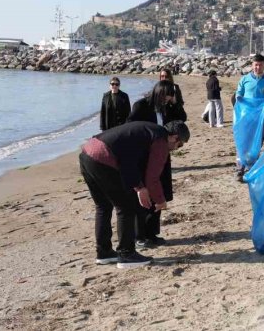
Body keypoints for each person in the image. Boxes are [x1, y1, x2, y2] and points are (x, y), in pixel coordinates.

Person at [79, 120, 190, 268]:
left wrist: (138, 186)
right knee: (126, 208)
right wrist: (159, 200)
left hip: (87, 152)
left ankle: (104, 253)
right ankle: (127, 254)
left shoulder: (148, 130)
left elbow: (129, 158)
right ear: (173, 137)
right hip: (104, 158)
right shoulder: (160, 141)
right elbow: (152, 177)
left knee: (103, 206)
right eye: (179, 144)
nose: (176, 149)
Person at [126, 81, 186, 248]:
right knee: (145, 195)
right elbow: (130, 128)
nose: (168, 99)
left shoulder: (167, 107)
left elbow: (181, 120)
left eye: (170, 97)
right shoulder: (141, 106)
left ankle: (152, 233)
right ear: (159, 93)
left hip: (162, 153)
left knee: (160, 192)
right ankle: (140, 235)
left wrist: (175, 104)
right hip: (144, 156)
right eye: (167, 96)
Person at [234, 53, 264, 181]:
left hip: (261, 120)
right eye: (255, 65)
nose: (257, 67)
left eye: (260, 65)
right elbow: (238, 93)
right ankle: (239, 169)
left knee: (256, 143)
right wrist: (238, 97)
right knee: (242, 142)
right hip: (245, 118)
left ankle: (251, 168)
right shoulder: (244, 79)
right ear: (252, 65)